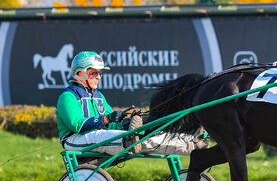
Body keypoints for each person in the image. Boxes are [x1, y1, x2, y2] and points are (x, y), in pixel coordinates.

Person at [56, 51, 207, 157]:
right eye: (94, 73)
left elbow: (111, 124)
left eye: (100, 73)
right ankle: (130, 140)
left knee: (142, 136)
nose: (98, 77)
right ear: (80, 73)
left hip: (97, 136)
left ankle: (191, 144)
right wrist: (108, 118)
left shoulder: (99, 96)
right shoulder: (67, 96)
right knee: (114, 136)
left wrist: (124, 123)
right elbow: (78, 125)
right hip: (74, 139)